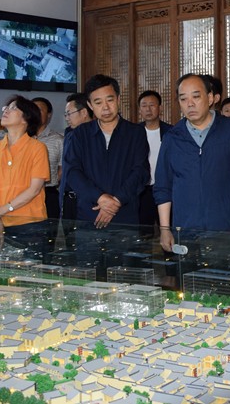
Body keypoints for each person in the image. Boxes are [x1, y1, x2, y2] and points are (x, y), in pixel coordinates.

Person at [61, 75, 150, 274]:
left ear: (118, 99)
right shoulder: (80, 134)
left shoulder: (135, 133)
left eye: (110, 100)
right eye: (98, 102)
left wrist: (116, 201)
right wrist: (100, 198)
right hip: (88, 221)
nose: (106, 107)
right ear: (90, 106)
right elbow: (73, 173)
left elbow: (141, 172)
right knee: (89, 280)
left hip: (124, 221)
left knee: (124, 280)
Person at [154, 74, 230, 252]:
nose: (190, 104)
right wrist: (165, 229)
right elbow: (163, 187)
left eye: (196, 96)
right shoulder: (172, 138)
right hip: (185, 232)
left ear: (211, 98)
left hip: (227, 231)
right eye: (183, 99)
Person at [0, 96, 49, 259]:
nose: (5, 110)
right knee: (0, 271)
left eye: (13, 108)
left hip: (30, 224)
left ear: (26, 118)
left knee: (31, 272)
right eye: (6, 108)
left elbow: (34, 190)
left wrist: (0, 212)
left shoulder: (38, 148)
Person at [59, 93, 93, 249]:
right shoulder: (69, 134)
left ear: (84, 112)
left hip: (87, 200)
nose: (67, 118)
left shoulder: (95, 135)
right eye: (65, 114)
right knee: (70, 246)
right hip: (68, 200)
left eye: (69, 113)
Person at [138, 90, 173, 233]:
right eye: (144, 105)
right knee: (143, 232)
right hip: (142, 190)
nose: (148, 109)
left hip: (165, 188)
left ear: (160, 107)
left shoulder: (171, 132)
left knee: (168, 228)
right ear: (140, 109)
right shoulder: (133, 133)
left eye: (152, 105)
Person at [32, 96, 63, 253]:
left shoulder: (58, 140)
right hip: (23, 195)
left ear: (49, 114)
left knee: (47, 240)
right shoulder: (21, 138)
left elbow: (63, 167)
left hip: (48, 193)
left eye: (40, 110)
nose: (35, 113)